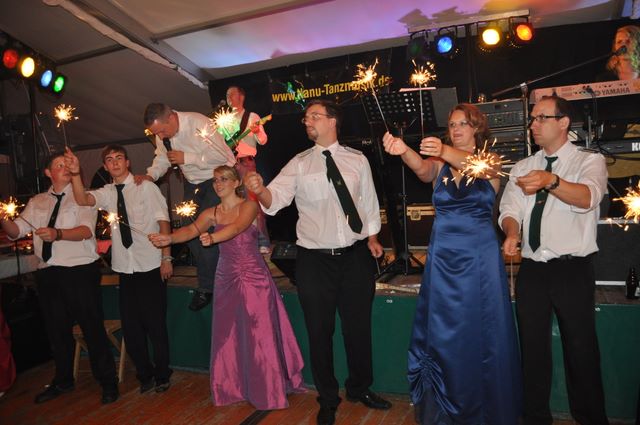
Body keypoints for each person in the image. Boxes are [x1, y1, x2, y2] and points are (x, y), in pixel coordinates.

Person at [244, 99, 391, 425]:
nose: (307, 121)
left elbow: (368, 202)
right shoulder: (299, 163)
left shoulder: (357, 160)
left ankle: (360, 387)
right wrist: (260, 190)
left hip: (355, 257)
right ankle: (327, 398)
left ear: (332, 121)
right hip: (314, 260)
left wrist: (372, 237)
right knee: (319, 332)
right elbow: (274, 200)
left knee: (358, 329)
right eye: (306, 117)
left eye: (314, 116)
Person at [382, 103, 522, 424]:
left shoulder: (491, 160)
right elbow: (422, 170)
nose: (456, 129)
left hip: (479, 258)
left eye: (462, 124)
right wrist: (404, 150)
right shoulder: (440, 165)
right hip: (443, 258)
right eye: (452, 124)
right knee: (444, 328)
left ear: (476, 128)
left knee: (481, 325)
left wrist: (444, 150)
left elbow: (480, 169)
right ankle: (447, 403)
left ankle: (485, 403)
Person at [148, 165, 305, 409]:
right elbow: (190, 230)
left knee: (259, 332)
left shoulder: (249, 206)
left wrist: (213, 238)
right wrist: (169, 238)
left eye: (223, 179)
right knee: (228, 334)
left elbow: (238, 227)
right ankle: (234, 387)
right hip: (225, 277)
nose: (218, 184)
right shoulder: (211, 212)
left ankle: (267, 388)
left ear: (236, 183)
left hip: (253, 276)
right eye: (215, 180)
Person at [500, 95, 609, 425]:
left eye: (541, 118)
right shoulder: (523, 166)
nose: (533, 125)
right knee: (532, 349)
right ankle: (535, 417)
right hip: (532, 269)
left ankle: (591, 418)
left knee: (581, 349)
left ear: (563, 122)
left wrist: (552, 181)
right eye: (532, 119)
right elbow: (509, 209)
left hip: (572, 268)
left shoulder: (589, 161)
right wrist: (512, 232)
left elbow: (588, 198)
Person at [0, 153, 118, 404]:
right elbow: (16, 231)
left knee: (92, 328)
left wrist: (58, 234)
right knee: (56, 331)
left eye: (67, 164)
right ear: (48, 173)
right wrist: (3, 219)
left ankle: (107, 380)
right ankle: (63, 380)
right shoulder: (37, 201)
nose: (65, 167)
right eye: (59, 165)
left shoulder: (82, 196)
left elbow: (86, 231)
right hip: (48, 273)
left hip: (79, 272)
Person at [65, 145, 174, 395]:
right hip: (125, 268)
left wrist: (167, 257)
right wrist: (75, 174)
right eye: (109, 160)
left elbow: (163, 221)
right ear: (105, 166)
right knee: (132, 328)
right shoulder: (107, 192)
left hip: (150, 265)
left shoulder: (145, 187)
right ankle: (144, 374)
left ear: (127, 162)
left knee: (155, 325)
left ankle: (162, 373)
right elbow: (83, 200)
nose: (114, 163)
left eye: (118, 158)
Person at [140, 103, 236, 311]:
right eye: (157, 133)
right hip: (192, 184)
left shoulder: (198, 123)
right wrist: (150, 176)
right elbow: (162, 158)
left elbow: (223, 156)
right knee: (187, 228)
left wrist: (187, 158)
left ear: (171, 118)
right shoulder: (162, 135)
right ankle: (216, 274)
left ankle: (208, 287)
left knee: (204, 229)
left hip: (215, 181)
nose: (160, 136)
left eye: (162, 131)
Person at [225, 85, 271, 253]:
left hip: (246, 163)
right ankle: (240, 240)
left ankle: (262, 241)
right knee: (233, 203)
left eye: (231, 94)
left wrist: (257, 131)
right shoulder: (225, 120)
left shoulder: (252, 117)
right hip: (229, 165)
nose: (228, 98)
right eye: (227, 95)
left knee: (252, 200)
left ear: (241, 97)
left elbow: (263, 140)